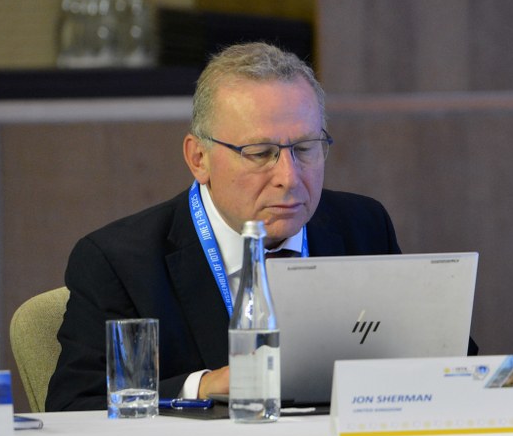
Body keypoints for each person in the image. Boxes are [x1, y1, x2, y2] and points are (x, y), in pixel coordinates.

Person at [47, 42, 401, 411]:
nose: (289, 177)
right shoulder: (120, 263)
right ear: (199, 158)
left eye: (305, 148)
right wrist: (202, 386)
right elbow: (74, 405)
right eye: (260, 153)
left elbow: (429, 365)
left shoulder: (363, 227)